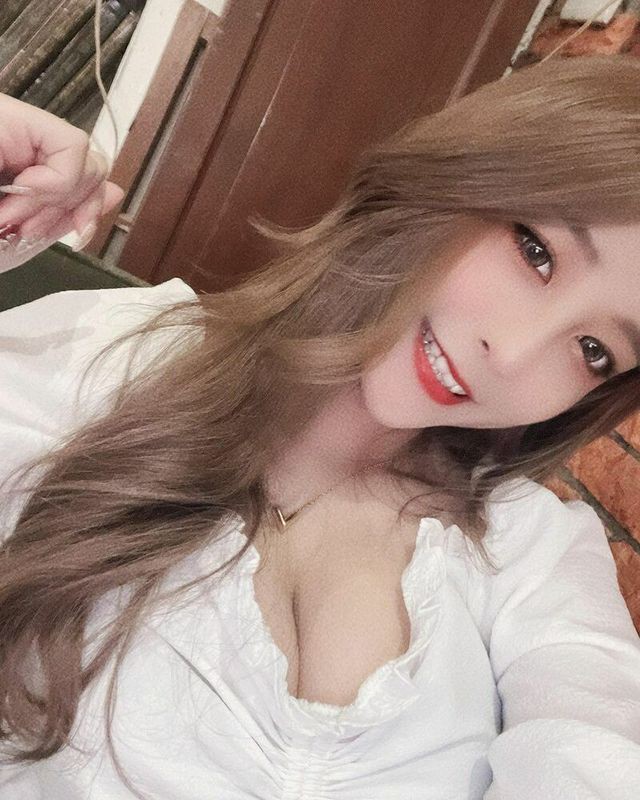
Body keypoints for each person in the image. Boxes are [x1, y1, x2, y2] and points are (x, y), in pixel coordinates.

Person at [0, 53, 639, 800]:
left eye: (593, 350)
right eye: (536, 252)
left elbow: (594, 750)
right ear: (462, 175)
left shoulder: (532, 551)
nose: (515, 351)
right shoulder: (105, 358)